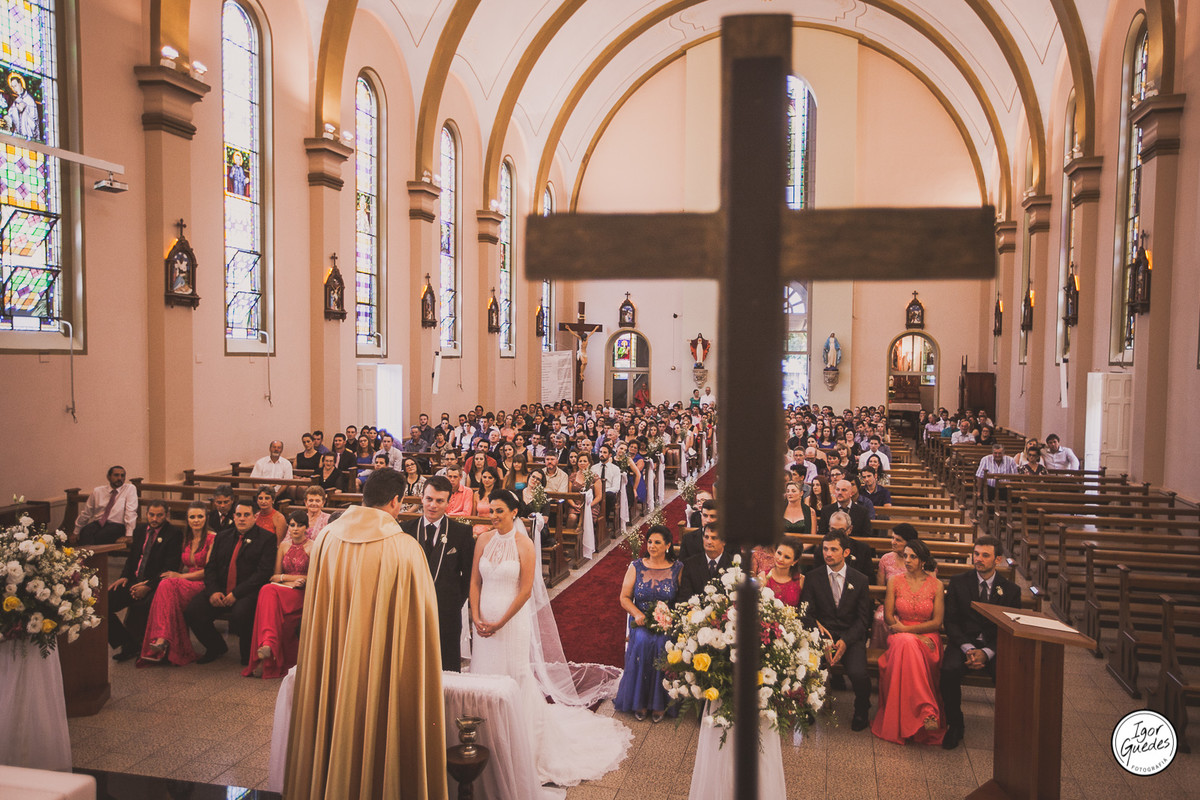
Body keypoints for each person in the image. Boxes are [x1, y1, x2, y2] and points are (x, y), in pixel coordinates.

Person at [285, 468, 447, 799]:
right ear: (396, 501)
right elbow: (421, 623)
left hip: (334, 658)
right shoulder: (404, 548)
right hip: (378, 668)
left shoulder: (327, 537)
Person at [470, 490, 631, 785]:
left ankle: (518, 742)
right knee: (485, 675)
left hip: (511, 621)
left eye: (499, 511)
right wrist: (475, 616)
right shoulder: (483, 540)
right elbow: (475, 581)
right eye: (491, 511)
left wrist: (500, 622)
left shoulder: (524, 544)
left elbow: (525, 591)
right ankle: (485, 735)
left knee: (513, 676)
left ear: (514, 512)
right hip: (483, 621)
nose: (493, 516)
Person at [940, 535, 1021, 750]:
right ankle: (955, 724)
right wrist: (968, 648)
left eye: (985, 555)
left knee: (1010, 674)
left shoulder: (1011, 590)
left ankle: (1010, 728)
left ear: (997, 559)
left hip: (995, 646)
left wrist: (987, 652)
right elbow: (950, 621)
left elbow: (1009, 628)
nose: (978, 559)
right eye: (976, 554)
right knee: (948, 670)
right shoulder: (959, 582)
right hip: (963, 643)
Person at [184, 499, 278, 665]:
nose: (242, 518)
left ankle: (247, 654)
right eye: (238, 515)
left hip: (247, 591)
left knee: (240, 615)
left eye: (246, 515)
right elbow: (210, 568)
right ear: (234, 516)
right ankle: (216, 646)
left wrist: (236, 594)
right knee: (193, 610)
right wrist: (213, 591)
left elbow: (263, 573)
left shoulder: (267, 538)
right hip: (220, 588)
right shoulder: (222, 536)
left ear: (255, 517)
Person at [871, 538, 947, 745]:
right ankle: (926, 709)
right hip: (900, 633)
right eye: (905, 556)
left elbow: (937, 622)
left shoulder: (936, 585)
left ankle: (922, 712)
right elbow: (888, 616)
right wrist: (907, 632)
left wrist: (910, 632)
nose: (907, 560)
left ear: (923, 560)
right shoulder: (895, 582)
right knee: (906, 644)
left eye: (913, 557)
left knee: (908, 644)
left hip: (927, 637)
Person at [400, 476, 475, 672]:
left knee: (446, 666)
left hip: (447, 612)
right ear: (422, 498)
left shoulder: (461, 533)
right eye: (429, 499)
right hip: (411, 609)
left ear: (448, 502)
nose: (433, 505)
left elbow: (468, 576)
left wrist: (454, 602)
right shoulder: (405, 530)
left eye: (439, 501)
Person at [801, 531, 873, 731]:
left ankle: (861, 710)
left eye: (834, 549)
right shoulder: (813, 577)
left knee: (859, 673)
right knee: (809, 667)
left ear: (846, 552)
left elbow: (863, 619)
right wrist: (822, 637)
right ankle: (808, 706)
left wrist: (846, 641)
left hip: (850, 636)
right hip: (821, 635)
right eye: (825, 549)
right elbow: (806, 612)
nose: (828, 553)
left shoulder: (860, 580)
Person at [614, 526, 682, 722]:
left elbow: (681, 599)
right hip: (641, 620)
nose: (652, 546)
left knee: (663, 644)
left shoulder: (677, 568)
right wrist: (637, 614)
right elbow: (624, 597)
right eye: (649, 542)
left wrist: (670, 617)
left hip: (667, 622)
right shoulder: (636, 566)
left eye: (657, 542)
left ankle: (660, 703)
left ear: (668, 545)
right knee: (643, 642)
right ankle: (640, 701)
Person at [141, 501, 217, 665]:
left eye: (200, 516)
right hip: (186, 582)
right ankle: (168, 644)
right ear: (187, 519)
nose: (196, 520)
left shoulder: (212, 538)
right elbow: (177, 567)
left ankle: (162, 638)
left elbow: (209, 571)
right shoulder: (186, 539)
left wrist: (180, 577)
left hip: (203, 583)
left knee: (168, 585)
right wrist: (169, 577)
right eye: (192, 517)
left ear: (206, 518)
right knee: (166, 585)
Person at [108, 500, 182, 662]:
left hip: (156, 584)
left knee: (142, 605)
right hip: (133, 580)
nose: (154, 519)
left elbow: (169, 568)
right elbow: (132, 558)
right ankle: (127, 642)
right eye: (151, 514)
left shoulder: (173, 534)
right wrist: (124, 576)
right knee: (103, 603)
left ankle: (135, 646)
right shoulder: (140, 530)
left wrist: (148, 586)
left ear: (166, 515)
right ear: (146, 514)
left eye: (159, 515)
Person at [243, 510, 312, 679]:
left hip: (302, 593)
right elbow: (275, 576)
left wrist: (287, 580)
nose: (295, 529)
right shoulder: (283, 546)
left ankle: (267, 646)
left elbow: (313, 577)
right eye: (292, 525)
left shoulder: (313, 546)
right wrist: (288, 580)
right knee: (267, 590)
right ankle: (268, 645)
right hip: (284, 589)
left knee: (267, 590)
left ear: (306, 527)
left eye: (300, 525)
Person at [75, 466, 139, 545]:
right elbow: (86, 512)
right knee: (85, 532)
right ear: (108, 477)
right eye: (116, 475)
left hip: (117, 525)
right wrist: (76, 531)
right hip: (98, 523)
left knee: (100, 536)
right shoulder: (98, 491)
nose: (120, 478)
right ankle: (86, 553)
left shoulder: (129, 489)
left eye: (122, 476)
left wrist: (129, 535)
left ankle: (92, 553)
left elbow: (131, 512)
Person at [676, 523, 734, 601]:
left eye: (714, 538)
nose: (709, 542)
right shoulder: (690, 564)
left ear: (724, 542)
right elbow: (685, 596)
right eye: (706, 537)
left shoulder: (734, 565)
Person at [759, 537, 803, 609]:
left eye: (787, 557)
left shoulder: (801, 580)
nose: (780, 559)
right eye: (779, 553)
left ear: (795, 561)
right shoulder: (763, 577)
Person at [975, 442, 1019, 514]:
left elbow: (1015, 477)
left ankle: (1007, 515)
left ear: (1003, 453)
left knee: (1015, 497)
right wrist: (979, 491)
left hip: (1005, 488)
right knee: (984, 494)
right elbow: (980, 476)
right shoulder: (985, 459)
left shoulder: (1010, 460)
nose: (997, 455)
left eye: (1000, 453)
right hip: (990, 488)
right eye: (995, 453)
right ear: (992, 453)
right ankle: (990, 513)